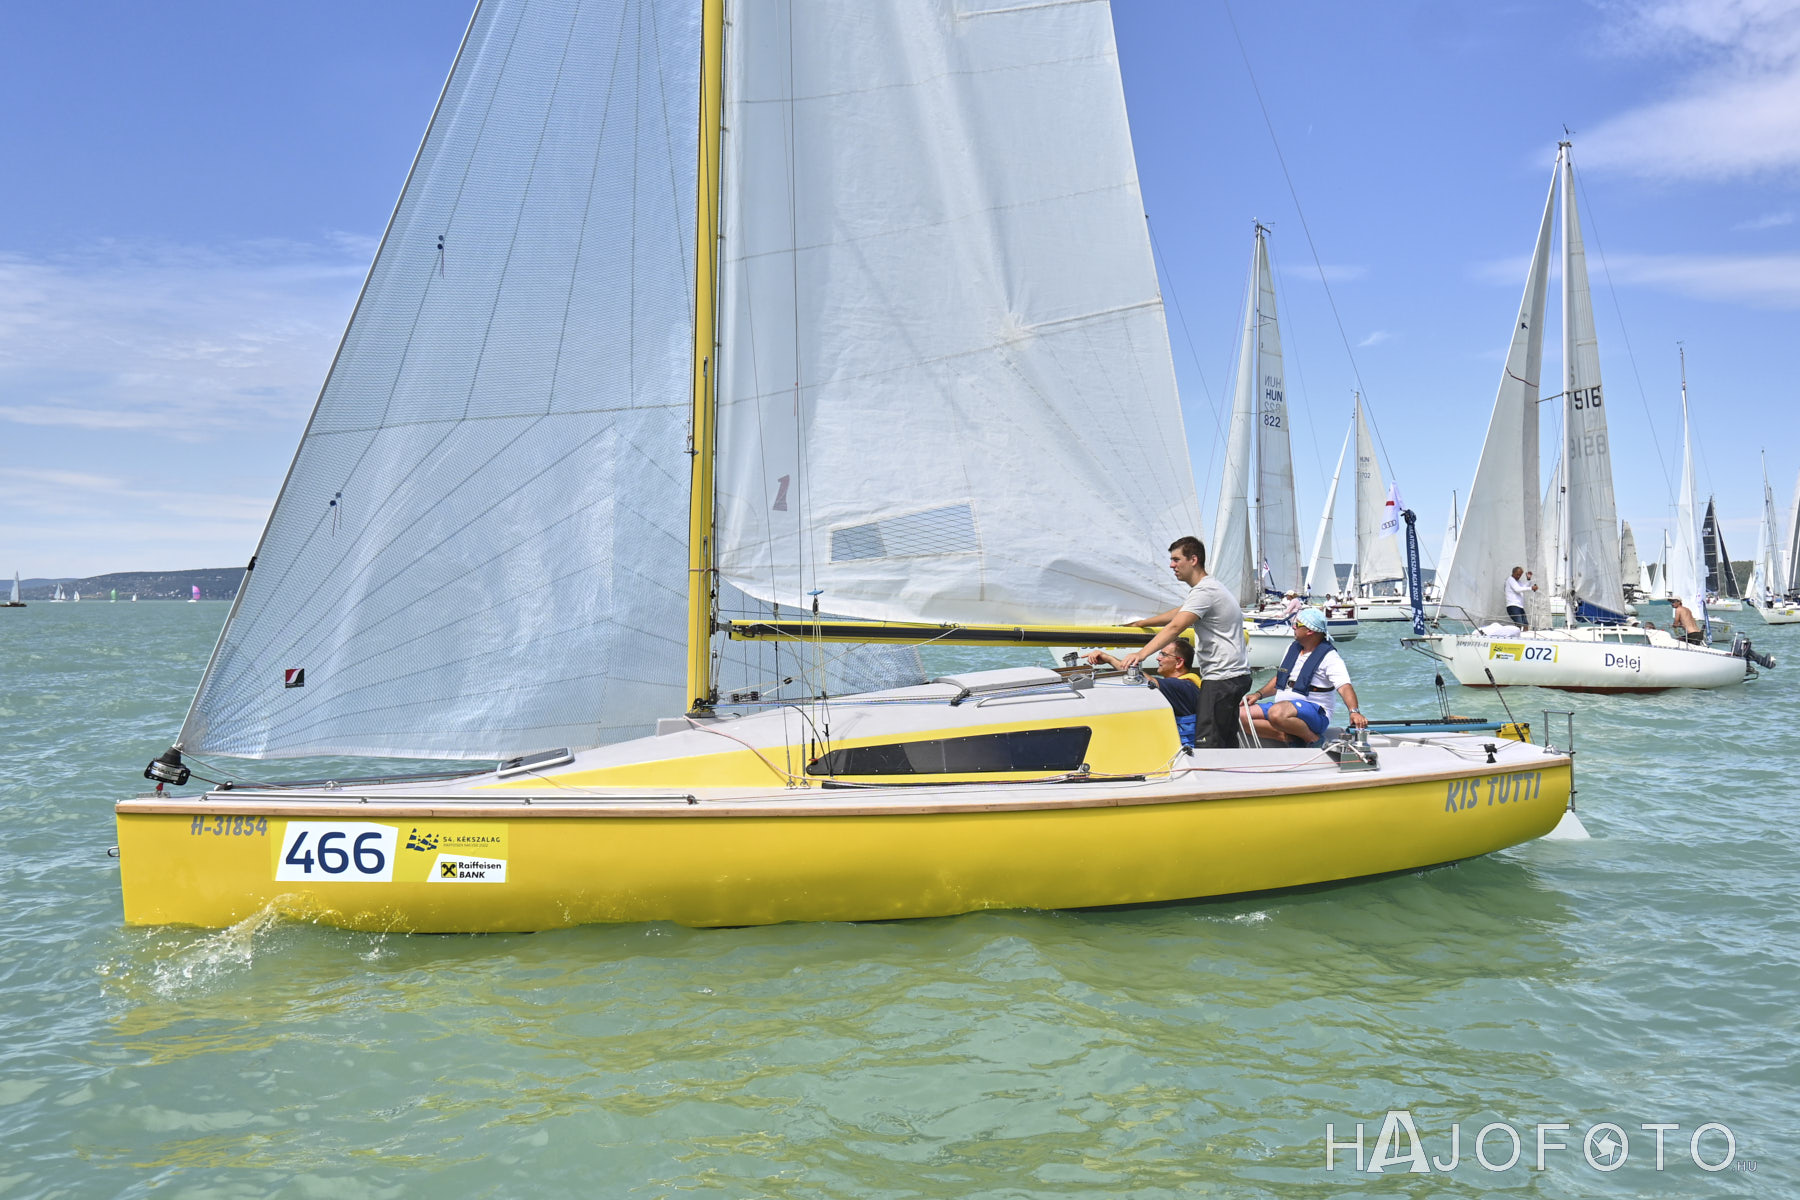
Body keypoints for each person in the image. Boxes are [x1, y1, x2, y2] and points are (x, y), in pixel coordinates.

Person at [1118, 536, 1253, 748]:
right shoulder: (1211, 588)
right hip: (1235, 677)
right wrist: (1143, 623)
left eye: (1176, 559)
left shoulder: (1204, 591)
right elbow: (1179, 612)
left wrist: (1140, 654)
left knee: (1208, 744)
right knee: (1226, 742)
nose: (1171, 565)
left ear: (1193, 560)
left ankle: (1211, 769)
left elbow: (1176, 626)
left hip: (1221, 679)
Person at [1241, 608, 1367, 747]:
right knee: (1240, 714)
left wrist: (1354, 712)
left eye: (1297, 624)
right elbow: (1280, 679)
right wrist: (1258, 694)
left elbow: (1344, 687)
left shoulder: (1330, 658)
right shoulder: (1292, 648)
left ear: (1309, 631)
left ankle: (1313, 740)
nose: (1293, 627)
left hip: (1316, 713)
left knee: (1276, 713)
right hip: (1283, 709)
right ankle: (1287, 738)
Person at [1087, 639, 1204, 747]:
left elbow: (1142, 680)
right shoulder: (1187, 685)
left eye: (1164, 655)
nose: (1158, 658)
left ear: (1179, 662)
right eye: (1160, 653)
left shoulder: (1182, 685)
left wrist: (1109, 659)